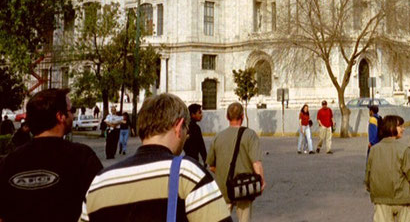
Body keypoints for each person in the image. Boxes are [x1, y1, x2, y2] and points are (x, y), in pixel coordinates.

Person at [80, 93, 231, 222]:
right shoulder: (187, 174)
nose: (187, 135)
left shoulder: (100, 181)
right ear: (178, 127)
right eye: (186, 129)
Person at [0, 89, 102, 222]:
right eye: (72, 110)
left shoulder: (9, 162)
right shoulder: (82, 157)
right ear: (60, 116)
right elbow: (101, 205)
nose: (73, 115)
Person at [207, 102, 266, 222]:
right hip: (244, 188)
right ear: (243, 117)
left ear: (227, 117)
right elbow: (256, 163)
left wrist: (224, 174)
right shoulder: (250, 135)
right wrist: (261, 180)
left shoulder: (218, 137)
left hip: (224, 188)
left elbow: (211, 166)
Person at [366, 115, 410, 221]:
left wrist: (375, 192)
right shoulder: (404, 150)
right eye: (400, 126)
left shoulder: (374, 150)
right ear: (392, 128)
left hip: (382, 202)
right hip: (403, 201)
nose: (403, 129)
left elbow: (369, 175)